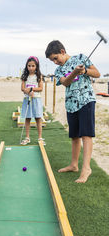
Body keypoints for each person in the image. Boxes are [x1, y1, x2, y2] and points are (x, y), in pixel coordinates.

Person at [45, 40, 100, 183]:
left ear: (62, 51)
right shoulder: (58, 71)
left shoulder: (81, 58)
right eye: (52, 60)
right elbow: (65, 82)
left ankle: (86, 169)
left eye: (55, 58)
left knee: (86, 134)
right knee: (75, 136)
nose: (55, 62)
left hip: (86, 100)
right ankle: (74, 165)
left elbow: (97, 73)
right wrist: (75, 71)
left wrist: (85, 70)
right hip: (71, 103)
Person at [20, 56, 44, 145]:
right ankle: (27, 137)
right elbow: (22, 88)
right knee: (28, 118)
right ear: (26, 66)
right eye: (29, 66)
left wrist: (31, 89)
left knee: (38, 118)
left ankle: (40, 137)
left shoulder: (39, 76)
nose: (31, 68)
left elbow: (41, 88)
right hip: (27, 99)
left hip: (36, 99)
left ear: (36, 66)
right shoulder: (25, 76)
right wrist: (27, 90)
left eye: (33, 66)